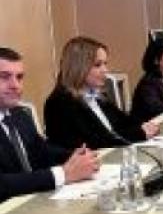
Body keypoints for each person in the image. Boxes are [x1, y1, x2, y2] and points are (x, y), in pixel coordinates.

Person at [0, 47, 99, 203]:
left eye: (19, 77)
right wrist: (62, 174)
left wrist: (77, 157)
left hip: (31, 203)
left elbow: (42, 150)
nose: (15, 85)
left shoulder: (20, 115)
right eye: (4, 77)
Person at [44, 37, 160, 150]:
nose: (105, 70)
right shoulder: (60, 103)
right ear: (78, 67)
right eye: (98, 65)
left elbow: (124, 121)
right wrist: (140, 133)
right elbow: (95, 143)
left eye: (105, 64)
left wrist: (143, 126)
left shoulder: (97, 96)